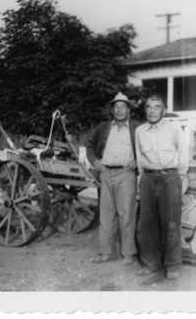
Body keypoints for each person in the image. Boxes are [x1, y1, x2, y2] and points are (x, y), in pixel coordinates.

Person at [134, 94, 189, 280]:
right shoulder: (140, 131)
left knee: (171, 224)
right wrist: (142, 181)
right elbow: (140, 159)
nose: (152, 111)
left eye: (156, 107)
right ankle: (151, 265)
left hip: (170, 178)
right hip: (148, 179)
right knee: (146, 225)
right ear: (145, 110)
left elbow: (183, 155)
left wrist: (177, 179)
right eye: (149, 107)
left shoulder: (174, 128)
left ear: (163, 110)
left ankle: (172, 266)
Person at [87, 92, 139, 265]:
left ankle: (128, 254)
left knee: (127, 214)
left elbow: (148, 148)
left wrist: (138, 161)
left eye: (123, 106)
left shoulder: (137, 128)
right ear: (112, 110)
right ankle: (106, 253)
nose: (119, 110)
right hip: (106, 174)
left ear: (129, 111)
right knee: (106, 214)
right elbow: (90, 146)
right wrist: (95, 161)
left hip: (126, 174)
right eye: (116, 107)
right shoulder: (103, 127)